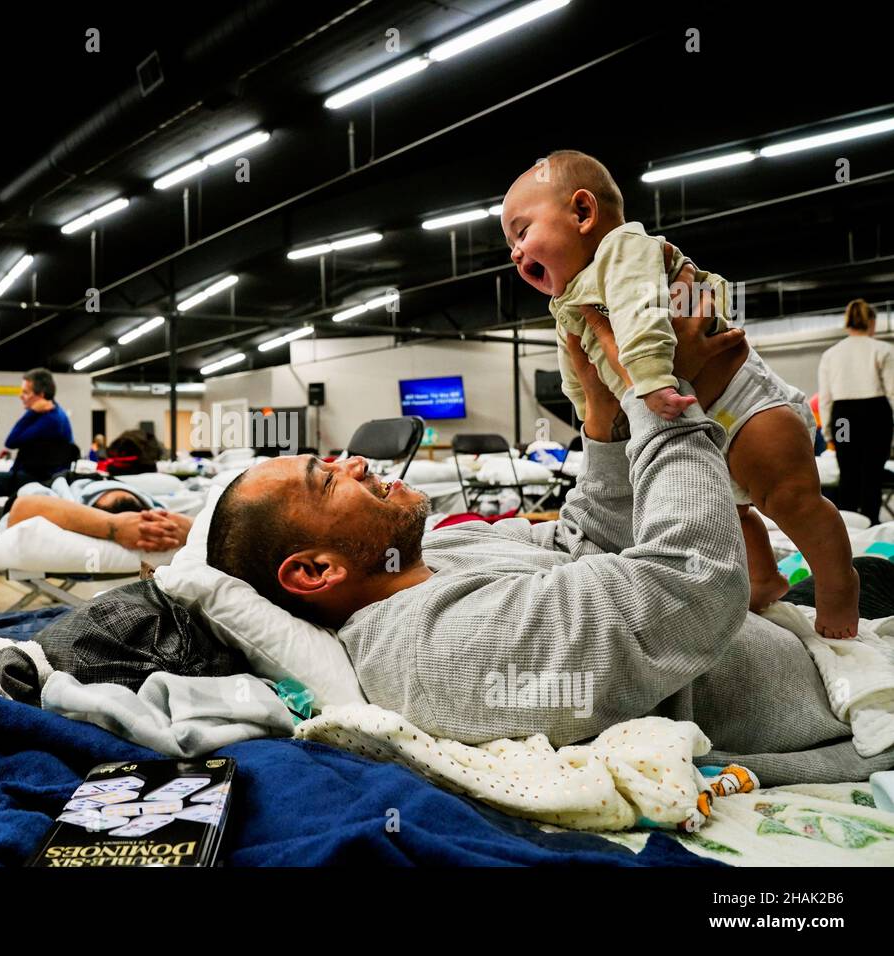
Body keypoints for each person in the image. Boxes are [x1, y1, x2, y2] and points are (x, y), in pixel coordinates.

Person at [206, 294, 894, 785]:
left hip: (815, 636)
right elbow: (690, 590)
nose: (353, 460)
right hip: (833, 697)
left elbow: (591, 549)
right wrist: (661, 392)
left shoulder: (438, 555)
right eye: (327, 480)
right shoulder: (435, 650)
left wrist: (602, 414)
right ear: (316, 571)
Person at [502, 150, 856, 638]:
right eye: (510, 245)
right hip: (694, 426)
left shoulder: (622, 251)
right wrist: (590, 416)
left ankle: (839, 586)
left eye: (522, 232)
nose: (516, 253)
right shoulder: (569, 304)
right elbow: (578, 375)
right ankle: (763, 579)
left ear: (583, 213)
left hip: (745, 405)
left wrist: (648, 379)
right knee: (724, 515)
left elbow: (644, 316)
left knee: (792, 500)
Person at [0, 467, 189, 552]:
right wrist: (115, 526)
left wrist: (117, 527)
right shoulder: (73, 493)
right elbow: (24, 504)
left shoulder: (154, 513)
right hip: (61, 482)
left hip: (5, 518)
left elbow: (23, 510)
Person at [817, 299, 894, 524]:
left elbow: (826, 398)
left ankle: (847, 526)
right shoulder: (883, 349)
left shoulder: (831, 354)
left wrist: (829, 433)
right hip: (875, 415)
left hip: (844, 416)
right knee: (873, 474)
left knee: (847, 472)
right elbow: (892, 392)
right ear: (872, 322)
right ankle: (870, 522)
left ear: (847, 322)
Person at [0, 368, 74, 498]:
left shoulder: (50, 419)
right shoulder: (57, 414)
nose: (21, 396)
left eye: (26, 392)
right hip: (40, 475)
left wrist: (31, 412)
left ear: (41, 395)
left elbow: (11, 442)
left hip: (41, 479)